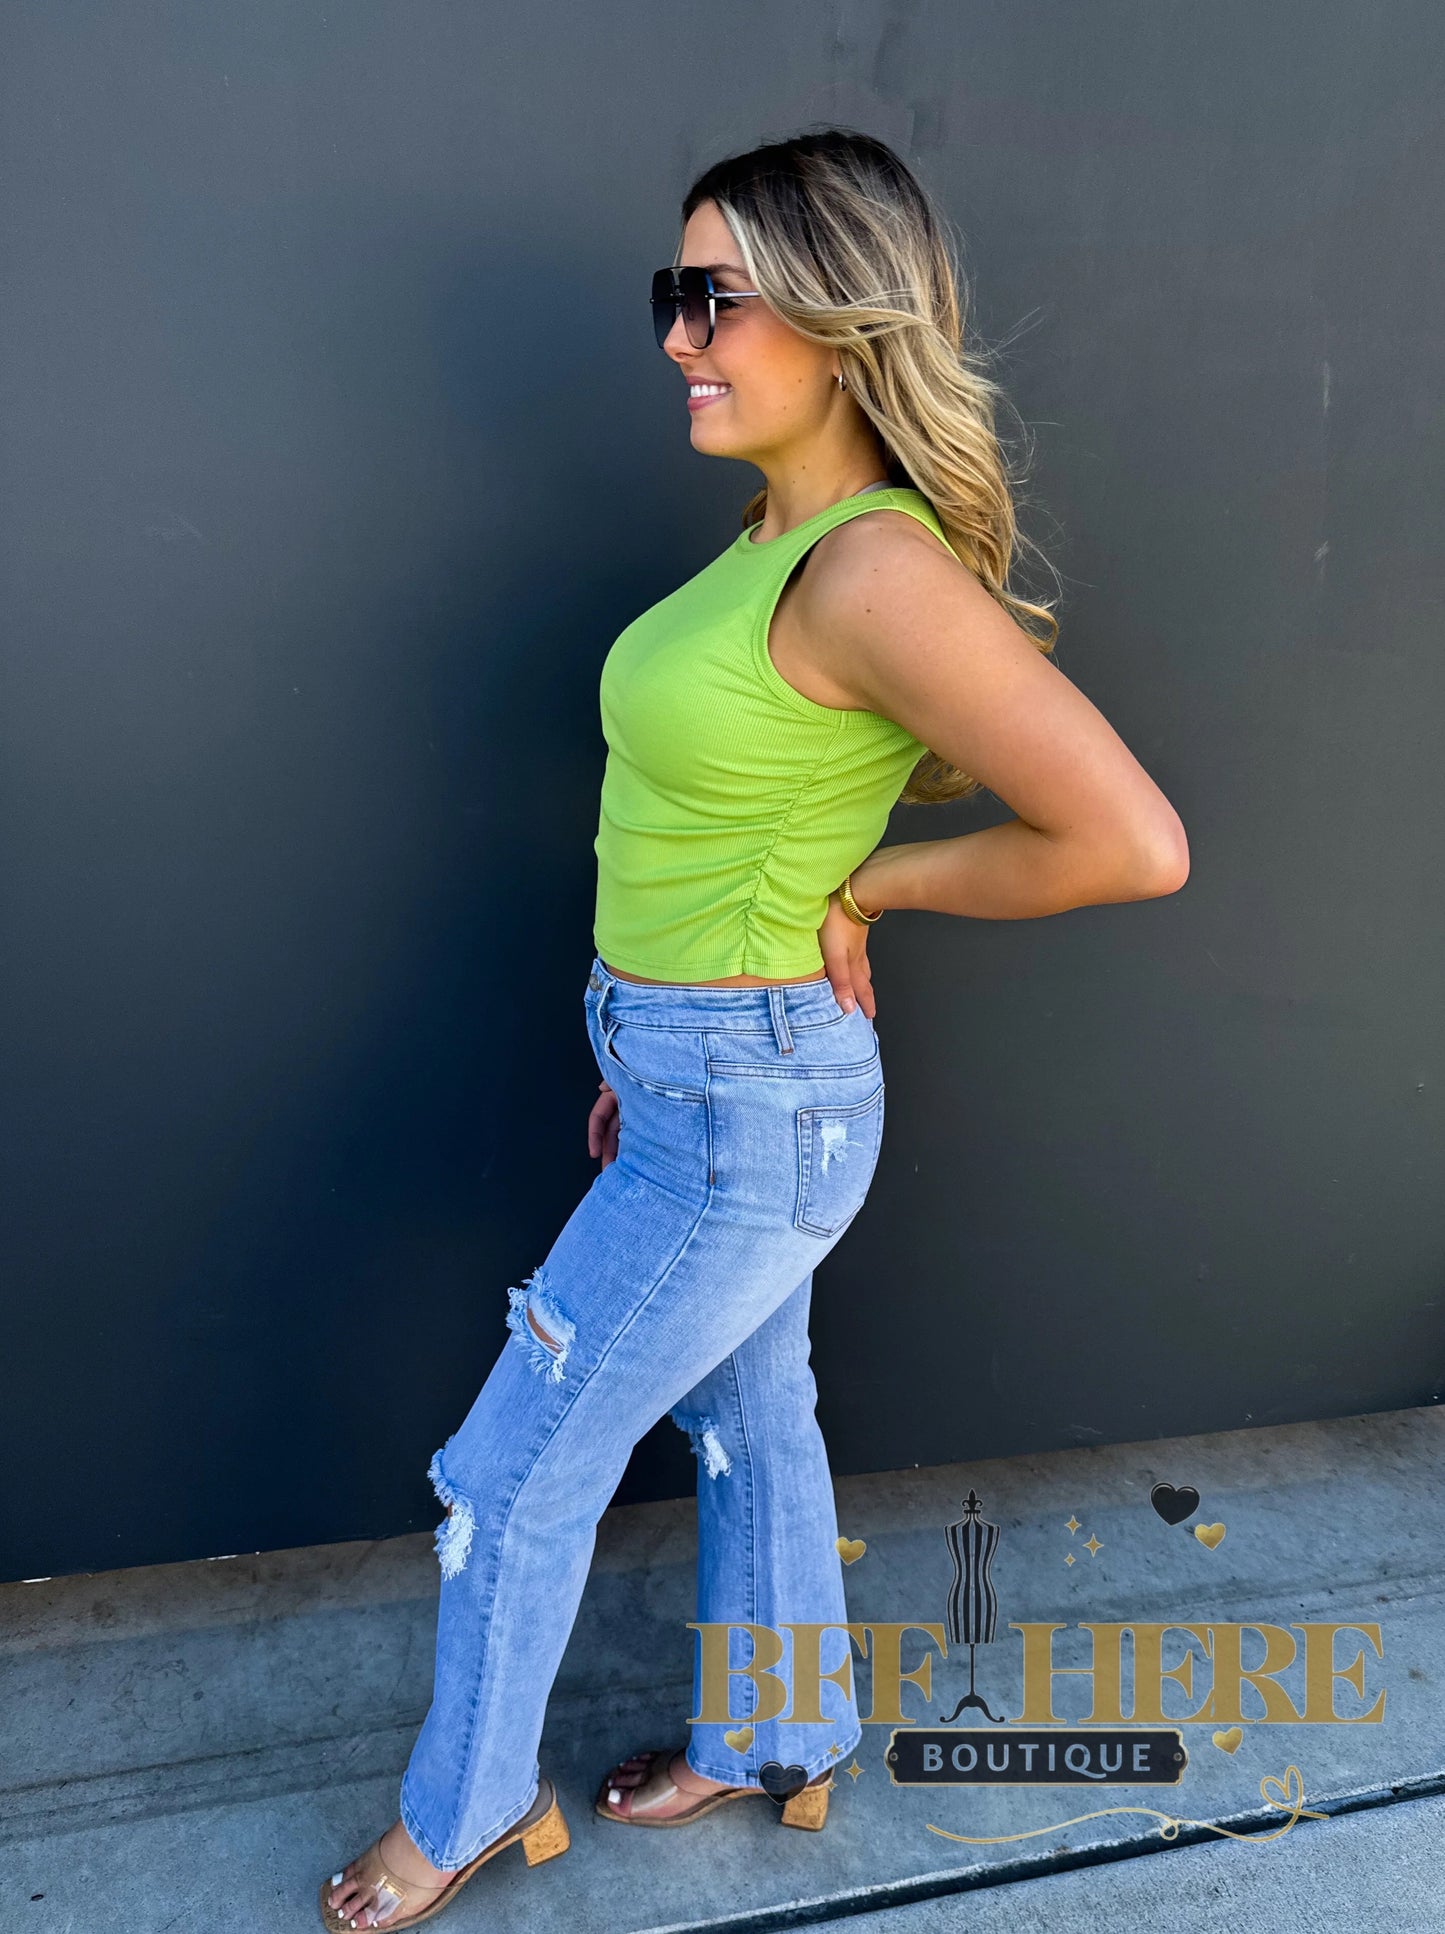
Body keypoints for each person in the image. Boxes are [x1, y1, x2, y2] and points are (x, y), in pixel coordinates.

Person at [320, 126, 1188, 1930]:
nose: (675, 336)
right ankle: (781, 1734)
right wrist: (640, 1056)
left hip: (750, 1101)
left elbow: (1128, 841)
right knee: (751, 1421)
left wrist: (872, 889)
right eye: (676, 293)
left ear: (840, 313)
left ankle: (462, 1808)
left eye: (714, 298)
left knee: (508, 1475)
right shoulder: (769, 540)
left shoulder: (875, 574)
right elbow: (694, 833)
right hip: (693, 1081)